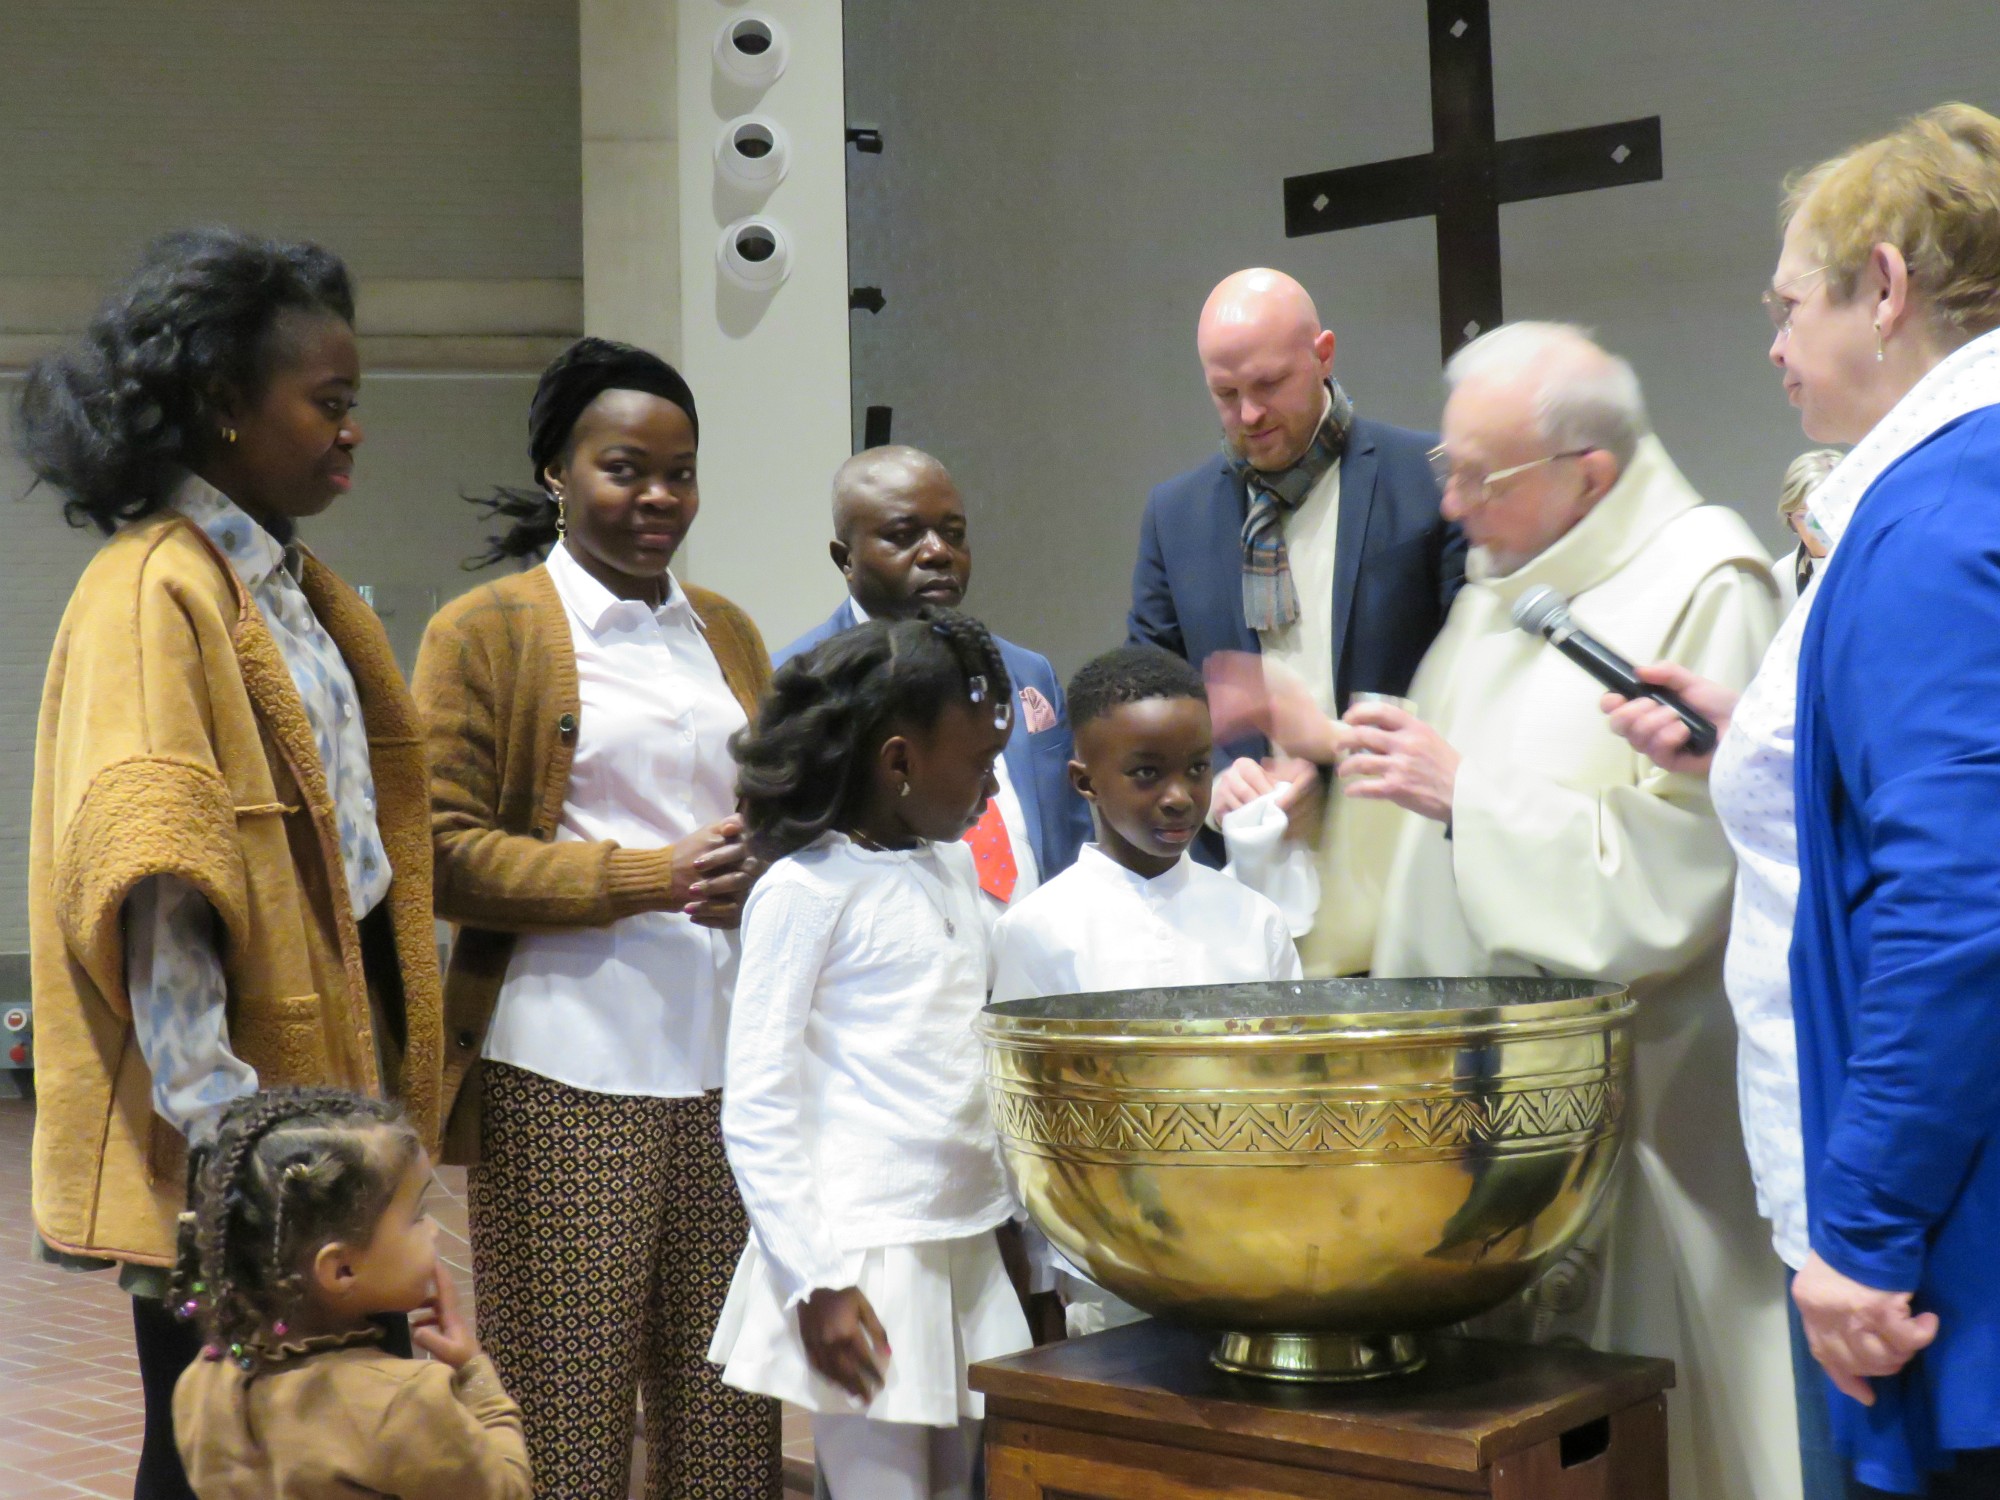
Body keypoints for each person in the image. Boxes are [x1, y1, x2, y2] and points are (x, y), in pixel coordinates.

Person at [1215, 322, 1790, 1500]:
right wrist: (1331, 768)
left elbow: (1685, 874)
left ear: (1587, 471)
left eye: (1482, 477)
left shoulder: (1703, 584)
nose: (1452, 505)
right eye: (1445, 469)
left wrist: (1464, 792)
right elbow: (1417, 820)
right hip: (1480, 1129)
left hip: (1637, 1121)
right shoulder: (1499, 593)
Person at [1605, 103, 2000, 1498]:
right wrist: (1761, 754)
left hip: (1943, 1260)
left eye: (1789, 307)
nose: (1772, 349)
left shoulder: (1936, 513)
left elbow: (1960, 900)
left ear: (1883, 291)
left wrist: (1867, 1233)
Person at [17, 228, 444, 1500]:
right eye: (329, 402)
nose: (352, 430)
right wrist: (236, 1156)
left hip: (313, 1124)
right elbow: (161, 888)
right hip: (242, 1155)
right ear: (219, 407)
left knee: (302, 1448)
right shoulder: (153, 588)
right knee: (216, 1455)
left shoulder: (283, 584)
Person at [412, 338, 781, 1499]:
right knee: (561, 1420)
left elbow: (771, 811)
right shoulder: (487, 630)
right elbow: (438, 854)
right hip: (565, 1067)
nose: (659, 497)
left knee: (730, 1420)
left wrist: (763, 860)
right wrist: (646, 877)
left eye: (680, 471)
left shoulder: (722, 629)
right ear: (557, 475)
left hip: (730, 1069)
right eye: (626, 468)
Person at [710, 610, 1034, 1500]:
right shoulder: (806, 892)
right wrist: (815, 1280)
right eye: (978, 764)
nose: (993, 785)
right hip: (866, 1256)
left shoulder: (953, 871)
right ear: (897, 763)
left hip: (966, 1241)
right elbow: (760, 1106)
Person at [991, 643, 1300, 1337]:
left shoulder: (1254, 920)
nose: (1179, 795)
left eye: (1197, 768)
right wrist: (1044, 1276)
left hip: (1251, 1247)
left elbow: (1294, 1085)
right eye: (1145, 773)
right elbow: (1026, 1125)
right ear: (1084, 780)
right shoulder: (1039, 930)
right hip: (1106, 1265)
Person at [1127, 267, 1464, 779]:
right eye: (1225, 393)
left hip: (1401, 827)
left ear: (1323, 354)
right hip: (1248, 845)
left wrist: (1338, 746)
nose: (1249, 414)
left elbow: (1475, 681)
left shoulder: (1429, 480)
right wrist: (1214, 786)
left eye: (1269, 384)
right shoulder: (1174, 517)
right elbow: (1154, 695)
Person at [171, 1089, 531, 1498]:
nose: (433, 1230)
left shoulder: (204, 1379)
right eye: (417, 1216)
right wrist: (474, 1373)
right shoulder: (404, 1402)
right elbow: (507, 1491)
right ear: (341, 1269)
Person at [776, 445, 1090, 910]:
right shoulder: (799, 681)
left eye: (953, 534)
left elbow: (1068, 834)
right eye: (904, 536)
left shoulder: (1026, 670)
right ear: (845, 559)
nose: (938, 552)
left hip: (1035, 961)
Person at [1776, 449, 1841, 603]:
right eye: (1803, 517)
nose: (1816, 530)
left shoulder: (1878, 565)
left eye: (1824, 514)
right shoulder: (1781, 576)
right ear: (1790, 519)